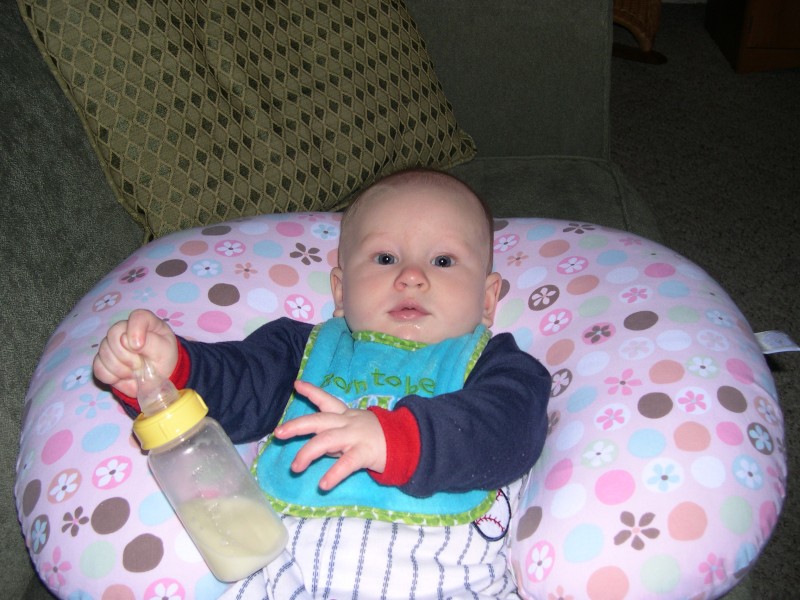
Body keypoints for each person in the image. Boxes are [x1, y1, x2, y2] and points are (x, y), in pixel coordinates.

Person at [93, 168, 551, 599]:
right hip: (287, 578)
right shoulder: (305, 351)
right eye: (385, 257)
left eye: (444, 260)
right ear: (340, 290)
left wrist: (397, 440)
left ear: (488, 301)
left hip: (446, 580)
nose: (411, 275)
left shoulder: (495, 364)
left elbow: (511, 429)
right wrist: (165, 371)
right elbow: (236, 387)